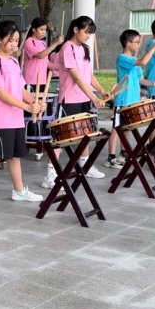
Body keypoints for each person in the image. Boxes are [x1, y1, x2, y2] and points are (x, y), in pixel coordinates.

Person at [0, 21, 44, 218]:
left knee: (15, 156)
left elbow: (20, 90)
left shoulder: (13, 62)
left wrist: (35, 101)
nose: (14, 45)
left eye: (17, 41)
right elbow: (2, 93)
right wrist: (28, 107)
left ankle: (19, 191)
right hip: (0, 119)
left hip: (15, 119)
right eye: (10, 40)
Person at [42, 16, 109, 188]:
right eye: (86, 32)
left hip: (84, 98)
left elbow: (89, 75)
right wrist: (94, 98)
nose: (88, 36)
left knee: (85, 133)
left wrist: (101, 90)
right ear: (75, 29)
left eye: (90, 33)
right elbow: (77, 77)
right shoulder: (67, 48)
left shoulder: (84, 49)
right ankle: (50, 174)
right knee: (61, 137)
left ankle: (85, 165)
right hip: (69, 98)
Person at [105, 29, 155, 169]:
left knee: (127, 128)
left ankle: (123, 154)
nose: (138, 45)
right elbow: (143, 62)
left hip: (133, 101)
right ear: (127, 43)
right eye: (136, 42)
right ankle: (110, 158)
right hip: (122, 99)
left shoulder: (134, 61)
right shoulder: (122, 58)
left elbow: (141, 80)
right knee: (117, 128)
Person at [22, 17, 63, 94]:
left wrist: (61, 67)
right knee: (32, 104)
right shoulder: (29, 42)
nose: (44, 32)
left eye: (45, 30)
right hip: (31, 80)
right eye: (41, 29)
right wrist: (56, 43)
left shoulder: (42, 43)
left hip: (43, 80)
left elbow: (46, 62)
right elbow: (40, 55)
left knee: (41, 104)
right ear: (34, 30)